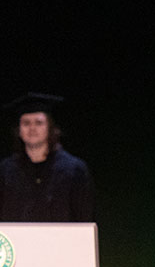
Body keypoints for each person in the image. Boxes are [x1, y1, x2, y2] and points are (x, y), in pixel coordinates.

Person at [1, 92, 94, 222]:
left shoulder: (73, 170)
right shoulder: (6, 171)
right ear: (19, 131)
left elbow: (84, 218)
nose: (32, 128)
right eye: (26, 123)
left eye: (39, 123)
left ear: (50, 128)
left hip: (62, 241)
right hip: (18, 241)